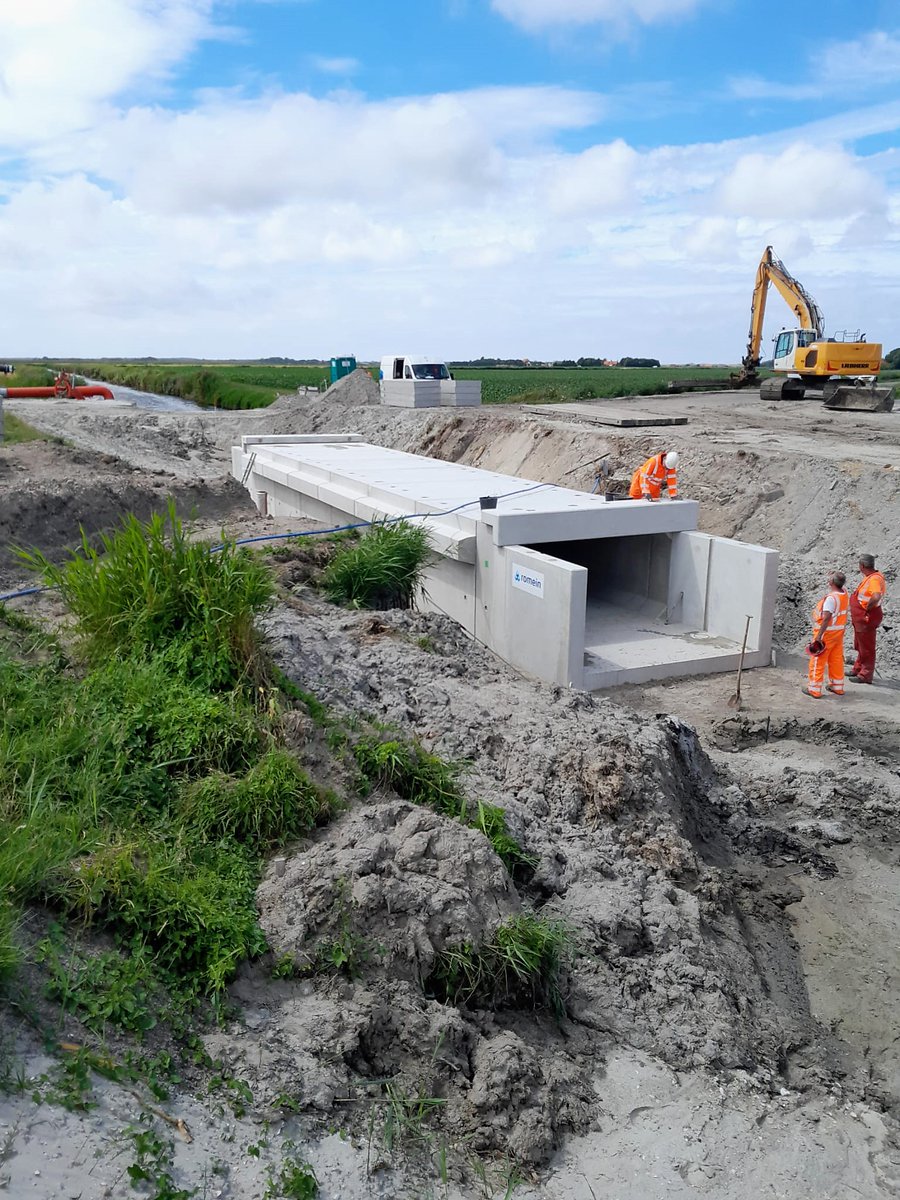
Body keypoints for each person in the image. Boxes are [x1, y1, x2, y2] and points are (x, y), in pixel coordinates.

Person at [803, 571, 849, 698]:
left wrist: (819, 636)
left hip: (827, 634)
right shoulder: (844, 593)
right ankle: (837, 687)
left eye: (830, 579)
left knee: (818, 660)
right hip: (838, 633)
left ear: (832, 583)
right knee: (836, 659)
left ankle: (814, 689)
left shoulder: (831, 599)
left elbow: (826, 618)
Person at [849, 553, 886, 684]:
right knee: (861, 644)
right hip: (862, 617)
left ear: (862, 566)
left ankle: (865, 675)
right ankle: (858, 668)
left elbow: (876, 597)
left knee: (867, 647)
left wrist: (866, 610)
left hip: (867, 617)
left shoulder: (874, 579)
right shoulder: (870, 577)